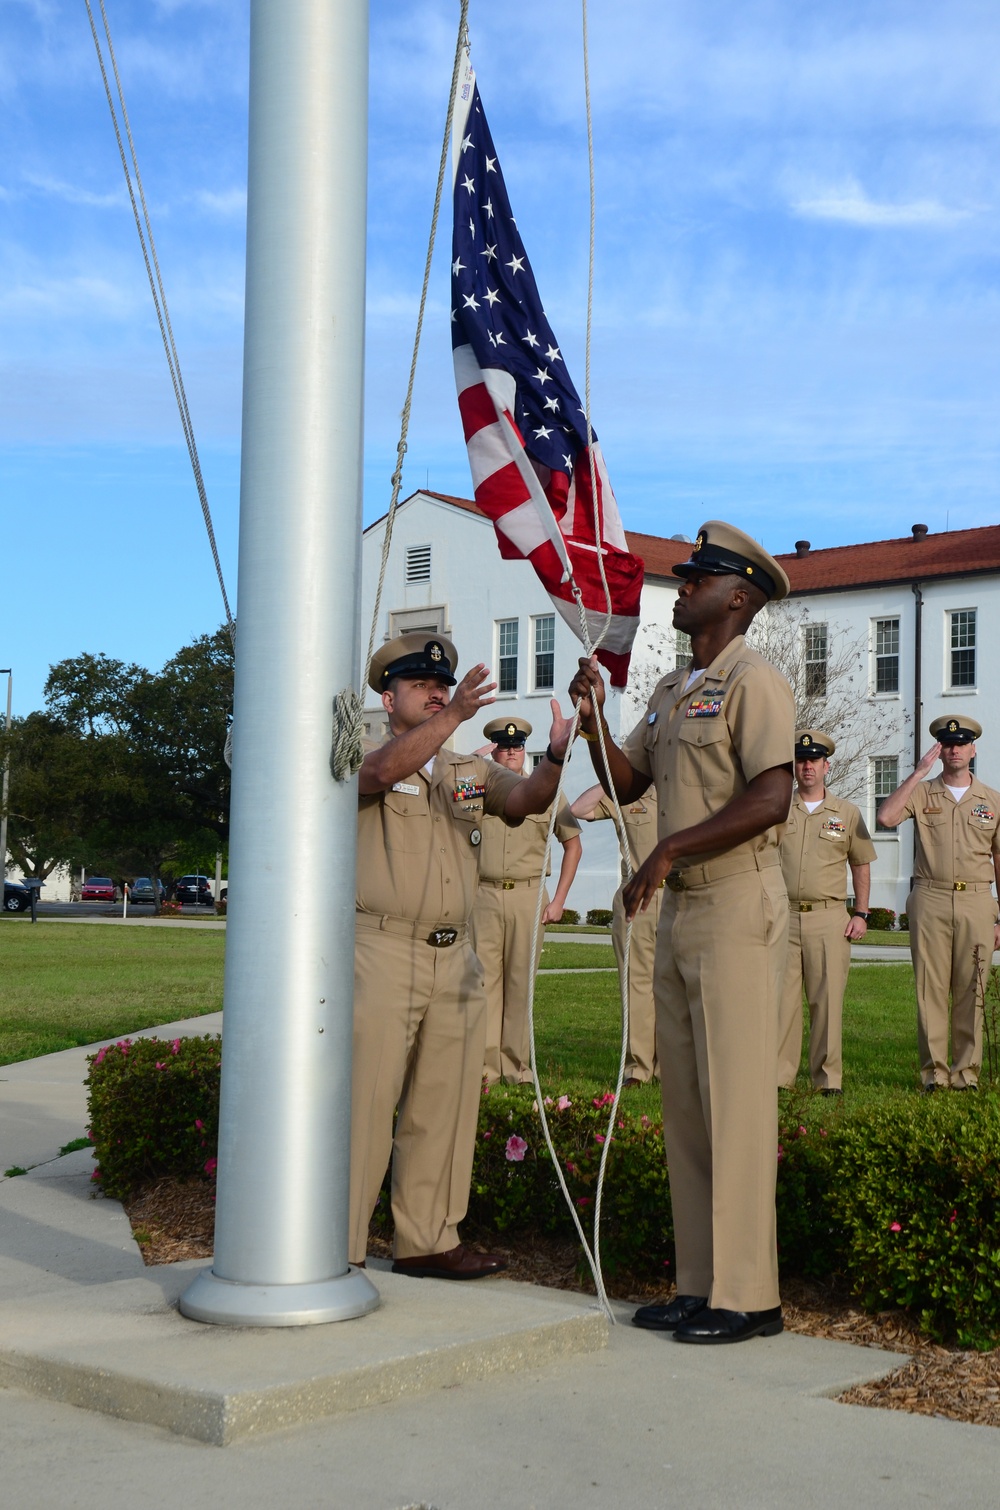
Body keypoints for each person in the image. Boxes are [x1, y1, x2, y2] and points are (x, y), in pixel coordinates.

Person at [568, 520, 794, 1345]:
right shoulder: (670, 691)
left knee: (735, 1104)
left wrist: (668, 848)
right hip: (683, 909)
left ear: (738, 597)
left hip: (736, 903)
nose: (683, 586)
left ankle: (751, 1295)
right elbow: (628, 782)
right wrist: (593, 717)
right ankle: (699, 1284)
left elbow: (771, 798)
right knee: (688, 1105)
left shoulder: (752, 683)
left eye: (697, 579)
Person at [350, 633, 573, 1278]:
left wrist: (555, 757)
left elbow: (527, 802)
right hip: (382, 949)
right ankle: (337, 1247)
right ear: (388, 696)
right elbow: (377, 776)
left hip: (456, 953)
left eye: (441, 686)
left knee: (445, 1104)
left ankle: (428, 1241)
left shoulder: (467, 772)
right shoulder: (359, 751)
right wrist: (454, 718)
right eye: (420, 684)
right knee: (365, 1101)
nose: (436, 692)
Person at [877, 716, 1000, 1092]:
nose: (954, 749)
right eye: (948, 744)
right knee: (929, 988)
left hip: (978, 899)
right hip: (930, 896)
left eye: (961, 743)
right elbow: (886, 817)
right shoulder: (923, 792)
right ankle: (934, 1074)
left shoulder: (992, 801)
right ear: (940, 750)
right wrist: (917, 773)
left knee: (972, 987)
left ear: (973, 749)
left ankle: (966, 1074)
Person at [471, 717, 582, 1085]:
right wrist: (470, 761)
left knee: (521, 984)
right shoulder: (476, 788)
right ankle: (486, 1068)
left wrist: (560, 899)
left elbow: (572, 845)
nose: (512, 752)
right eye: (504, 747)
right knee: (482, 984)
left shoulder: (549, 790)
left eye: (517, 747)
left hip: (529, 896)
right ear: (494, 750)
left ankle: (516, 1067)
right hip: (483, 895)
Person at [776, 730, 876, 1096]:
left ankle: (827, 1079)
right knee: (781, 1003)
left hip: (829, 917)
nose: (807, 767)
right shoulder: (776, 810)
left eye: (813, 760)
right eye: (801, 761)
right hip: (783, 917)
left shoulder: (847, 813)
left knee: (827, 1002)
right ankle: (779, 1077)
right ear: (794, 767)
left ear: (826, 766)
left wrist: (861, 913)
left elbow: (861, 863)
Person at [571, 781, 660, 1085]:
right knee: (636, 983)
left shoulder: (684, 790)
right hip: (636, 895)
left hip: (679, 895)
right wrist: (613, 773)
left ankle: (671, 1065)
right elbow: (579, 809)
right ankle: (638, 1067)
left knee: (677, 985)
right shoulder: (627, 793)